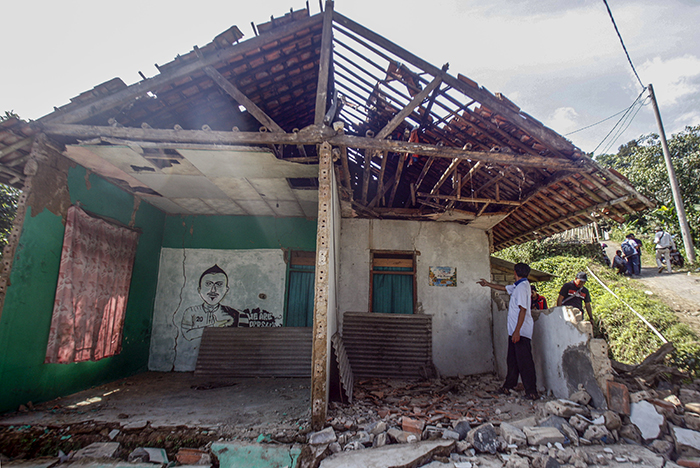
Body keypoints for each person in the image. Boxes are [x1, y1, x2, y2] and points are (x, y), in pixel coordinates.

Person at [477, 263, 538, 400]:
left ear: (516, 273)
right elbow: (504, 288)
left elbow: (523, 310)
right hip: (515, 332)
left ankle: (532, 392)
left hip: (520, 332)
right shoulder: (518, 286)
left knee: (525, 362)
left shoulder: (523, 287)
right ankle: (508, 386)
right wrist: (487, 284)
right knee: (512, 361)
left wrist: (517, 331)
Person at [181, 264, 249, 341]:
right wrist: (213, 327)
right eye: (208, 284)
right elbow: (187, 334)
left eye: (219, 284)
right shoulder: (191, 312)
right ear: (199, 289)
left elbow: (241, 342)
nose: (213, 290)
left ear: (226, 290)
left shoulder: (236, 315)